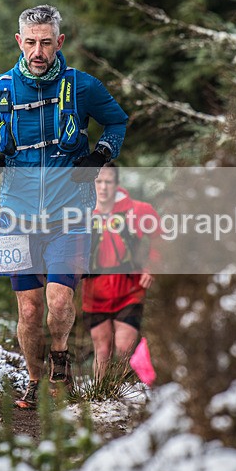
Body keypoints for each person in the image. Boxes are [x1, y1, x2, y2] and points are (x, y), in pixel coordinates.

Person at [0, 5, 128, 409]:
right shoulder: (1, 87)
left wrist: (100, 156)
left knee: (58, 300)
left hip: (69, 213)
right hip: (16, 214)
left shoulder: (82, 85)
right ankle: (34, 382)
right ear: (19, 42)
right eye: (31, 42)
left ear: (59, 42)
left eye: (46, 42)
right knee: (29, 307)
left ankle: (60, 359)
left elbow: (117, 122)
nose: (38, 51)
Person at [81, 162, 161, 382]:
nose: (103, 187)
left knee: (124, 347)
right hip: (94, 290)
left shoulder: (137, 210)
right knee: (102, 349)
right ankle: (99, 399)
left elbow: (161, 237)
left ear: (117, 184)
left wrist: (152, 268)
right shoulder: (83, 212)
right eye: (99, 182)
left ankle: (122, 397)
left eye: (108, 182)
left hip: (129, 287)